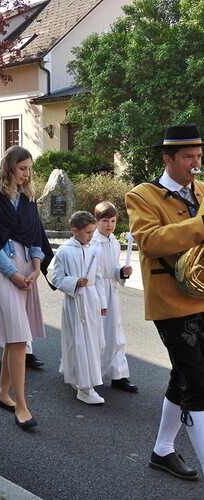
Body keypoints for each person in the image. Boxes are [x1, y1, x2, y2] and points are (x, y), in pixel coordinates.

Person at [125, 123, 204, 481]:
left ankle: (162, 450)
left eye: (198, 155)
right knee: (198, 385)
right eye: (188, 157)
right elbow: (151, 241)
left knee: (183, 376)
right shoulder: (143, 195)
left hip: (201, 297)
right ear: (168, 159)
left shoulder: (201, 190)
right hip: (172, 303)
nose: (196, 163)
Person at [0, 146, 53, 427]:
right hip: (1, 268)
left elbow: (36, 237)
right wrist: (13, 274)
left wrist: (37, 266)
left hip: (27, 267)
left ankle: (2, 393)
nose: (26, 174)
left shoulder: (29, 197)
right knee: (18, 337)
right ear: (9, 167)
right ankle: (21, 405)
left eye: (29, 169)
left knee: (15, 338)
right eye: (22, 168)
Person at [51, 211, 107, 405]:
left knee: (97, 342)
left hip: (92, 300)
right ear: (75, 231)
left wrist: (102, 302)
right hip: (76, 302)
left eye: (93, 231)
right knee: (82, 343)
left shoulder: (93, 249)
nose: (92, 236)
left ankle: (76, 373)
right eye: (88, 232)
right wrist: (74, 282)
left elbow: (98, 277)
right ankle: (85, 388)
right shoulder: (65, 251)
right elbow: (57, 278)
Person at [92, 201, 138, 393]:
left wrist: (122, 271)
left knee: (116, 333)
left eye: (113, 221)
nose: (109, 225)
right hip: (96, 291)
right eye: (105, 221)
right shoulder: (92, 242)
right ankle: (90, 373)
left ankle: (118, 375)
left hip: (111, 291)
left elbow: (113, 268)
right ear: (96, 221)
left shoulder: (114, 242)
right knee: (96, 334)